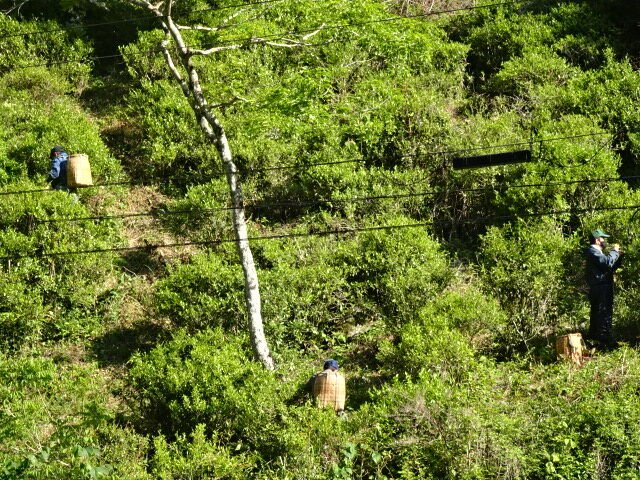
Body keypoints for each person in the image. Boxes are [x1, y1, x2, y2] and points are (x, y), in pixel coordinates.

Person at [585, 229, 623, 349]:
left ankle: (597, 341)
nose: (604, 240)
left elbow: (608, 268)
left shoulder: (597, 252)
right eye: (603, 238)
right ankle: (607, 343)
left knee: (601, 313)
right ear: (597, 240)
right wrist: (614, 252)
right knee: (603, 313)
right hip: (600, 287)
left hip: (602, 286)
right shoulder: (592, 251)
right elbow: (606, 263)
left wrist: (619, 257)